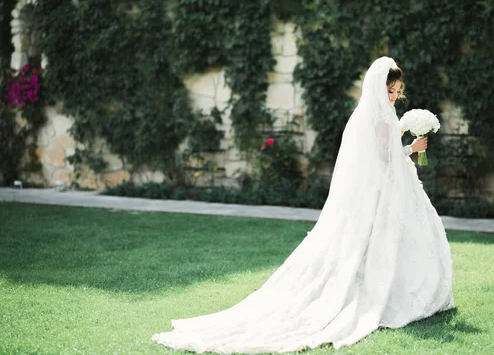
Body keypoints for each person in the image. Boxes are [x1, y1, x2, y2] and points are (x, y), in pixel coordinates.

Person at [152, 56, 455, 354]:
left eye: (398, 91)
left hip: (386, 190)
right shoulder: (379, 117)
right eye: (391, 91)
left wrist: (403, 140)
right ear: (379, 90)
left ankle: (398, 290)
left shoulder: (377, 115)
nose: (395, 96)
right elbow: (383, 160)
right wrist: (411, 148)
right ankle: (382, 294)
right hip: (381, 193)